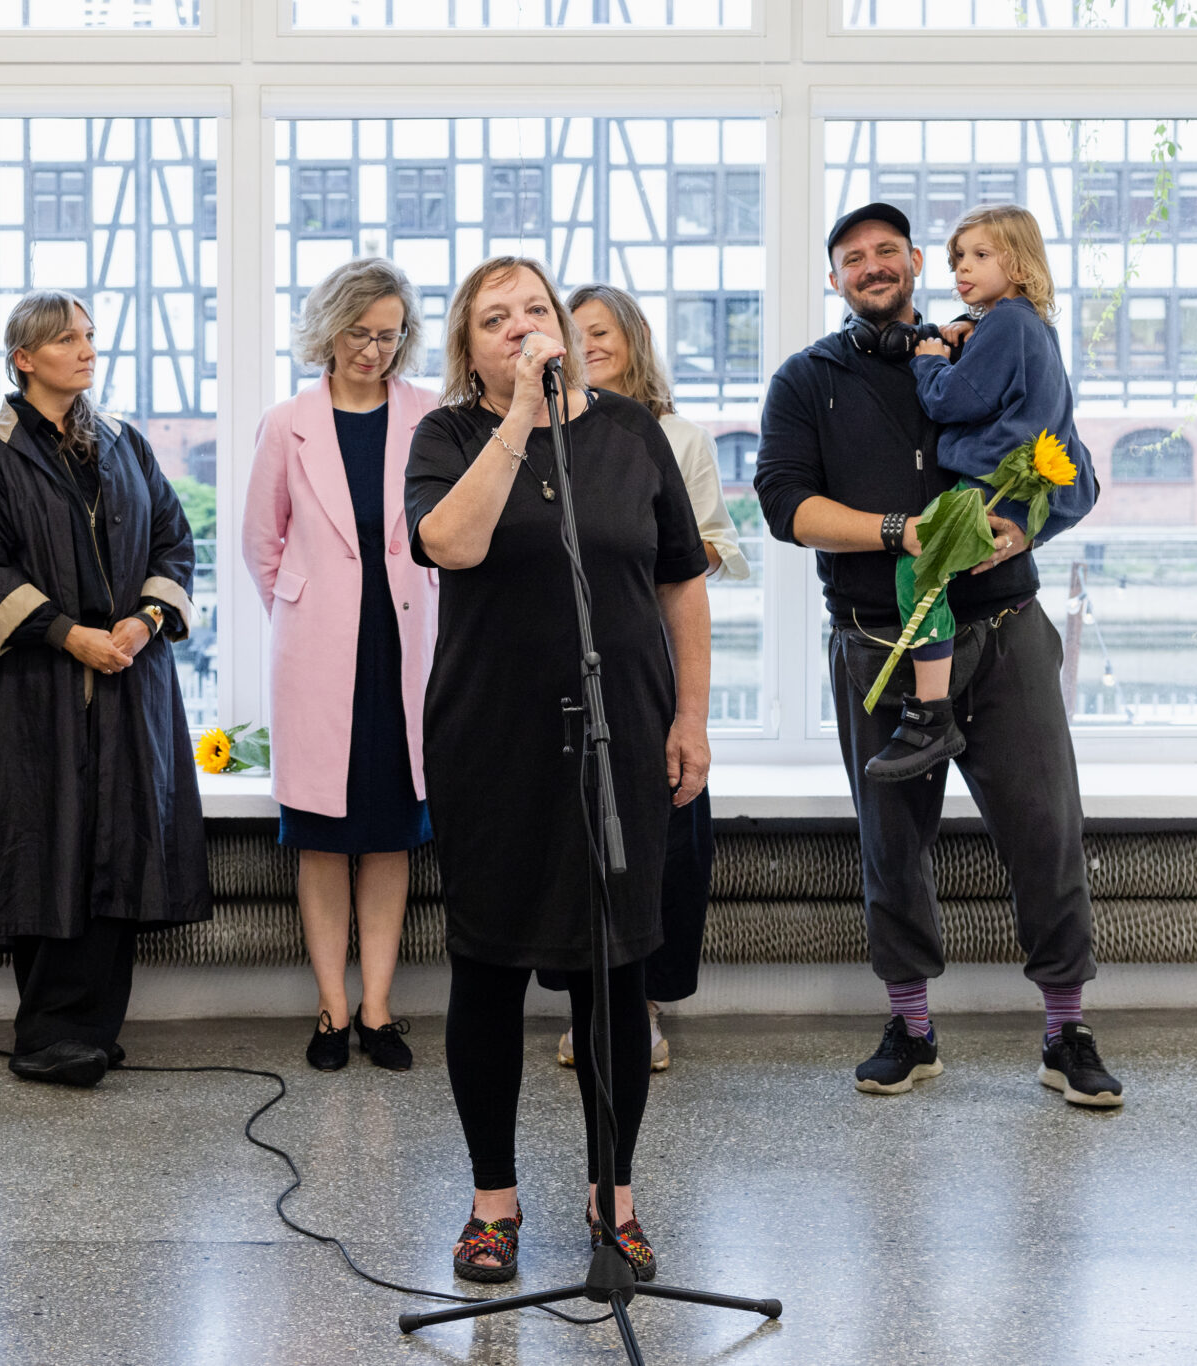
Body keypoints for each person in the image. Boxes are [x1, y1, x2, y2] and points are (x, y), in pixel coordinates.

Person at [752, 203, 1122, 1109]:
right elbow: (785, 507)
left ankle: (1065, 1031)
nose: (872, 265)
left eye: (888, 250)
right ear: (833, 279)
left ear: (917, 262)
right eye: (852, 257)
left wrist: (1022, 526)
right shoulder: (806, 380)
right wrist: (899, 531)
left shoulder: (991, 343)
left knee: (1046, 834)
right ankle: (911, 1030)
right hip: (877, 643)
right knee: (892, 847)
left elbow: (1076, 473)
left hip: (1005, 635)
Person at [407, 257, 712, 1283]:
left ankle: (611, 1197)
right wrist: (517, 425)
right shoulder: (447, 436)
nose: (520, 327)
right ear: (469, 348)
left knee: (613, 974)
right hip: (490, 740)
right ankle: (492, 1202)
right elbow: (447, 544)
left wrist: (691, 718)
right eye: (494, 318)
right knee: (488, 968)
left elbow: (680, 582)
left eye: (534, 308)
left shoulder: (630, 435)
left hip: (622, 735)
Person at [0, 289, 212, 1089]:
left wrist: (146, 622)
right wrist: (67, 633)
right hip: (35, 685)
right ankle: (49, 1034)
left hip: (129, 676)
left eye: (89, 336)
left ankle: (92, 1028)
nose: (87, 349)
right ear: (24, 358)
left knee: (118, 843)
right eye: (66, 339)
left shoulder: (125, 442)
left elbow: (173, 540)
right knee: (45, 839)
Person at [244, 258, 438, 1072]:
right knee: (323, 838)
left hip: (406, 646)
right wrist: (308, 613)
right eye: (360, 332)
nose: (373, 350)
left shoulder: (430, 416)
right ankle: (330, 1012)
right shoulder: (286, 422)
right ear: (328, 329)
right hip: (319, 654)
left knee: (391, 836)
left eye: (390, 335)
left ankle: (378, 1010)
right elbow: (261, 545)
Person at [554, 281, 751, 1072]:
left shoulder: (680, 437)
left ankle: (642, 1005)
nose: (589, 345)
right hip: (563, 662)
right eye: (576, 333)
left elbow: (711, 549)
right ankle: (585, 1001)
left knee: (660, 833)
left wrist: (647, 547)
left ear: (634, 340)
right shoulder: (542, 430)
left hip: (652, 660)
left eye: (603, 331)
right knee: (572, 833)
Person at [867, 202, 1091, 784]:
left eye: (980, 255)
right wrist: (971, 335)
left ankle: (930, 714)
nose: (962, 268)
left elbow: (953, 400)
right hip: (1021, 491)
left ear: (1019, 263)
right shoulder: (1032, 327)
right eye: (958, 258)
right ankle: (933, 710)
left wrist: (929, 361)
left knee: (917, 572)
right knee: (930, 578)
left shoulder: (1008, 324)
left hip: (987, 490)